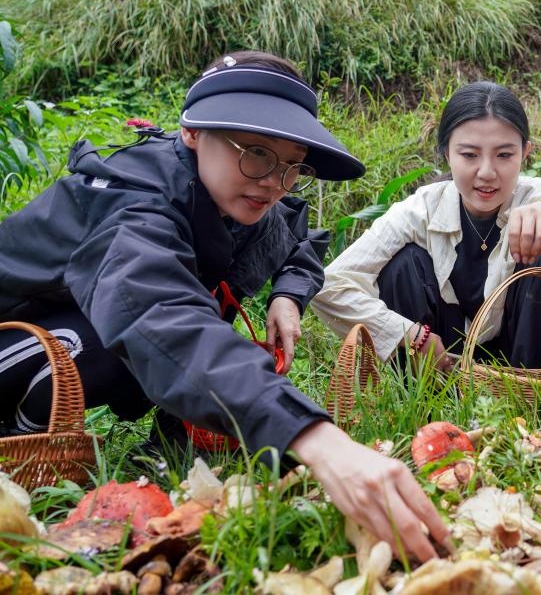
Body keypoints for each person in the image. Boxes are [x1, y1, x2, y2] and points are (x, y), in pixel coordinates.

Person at [0, 51, 450, 561]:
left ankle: (168, 441)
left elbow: (299, 239)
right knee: (115, 334)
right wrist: (312, 436)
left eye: (292, 166)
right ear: (192, 132)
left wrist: (287, 297)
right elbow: (156, 315)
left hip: (107, 325)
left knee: (195, 313)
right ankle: (22, 450)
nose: (274, 183)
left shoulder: (249, 198)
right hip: (25, 332)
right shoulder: (132, 198)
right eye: (256, 153)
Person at [312, 82, 541, 370]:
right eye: (469, 155)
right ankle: (425, 399)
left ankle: (535, 402)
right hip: (442, 357)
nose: (486, 172)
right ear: (447, 153)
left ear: (526, 152)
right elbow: (330, 284)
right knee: (403, 265)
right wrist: (408, 333)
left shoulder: (540, 198)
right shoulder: (423, 208)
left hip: (528, 357)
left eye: (504, 155)